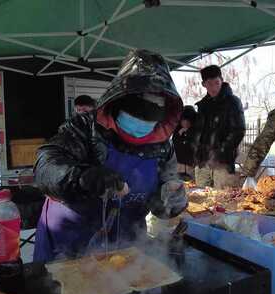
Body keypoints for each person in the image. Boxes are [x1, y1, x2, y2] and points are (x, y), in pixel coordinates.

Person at [33, 50, 187, 262]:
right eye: (135, 115)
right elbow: (45, 166)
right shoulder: (84, 128)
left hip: (125, 247)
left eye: (149, 120)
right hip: (70, 241)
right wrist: (83, 177)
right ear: (118, 103)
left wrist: (172, 201)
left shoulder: (162, 147)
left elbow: (161, 202)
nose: (140, 125)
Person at [193, 65, 245, 189]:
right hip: (202, 162)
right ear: (203, 84)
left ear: (222, 80)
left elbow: (238, 131)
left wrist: (220, 152)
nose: (213, 87)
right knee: (199, 201)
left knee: (223, 201)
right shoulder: (202, 105)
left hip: (222, 163)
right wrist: (196, 152)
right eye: (209, 83)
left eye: (216, 82)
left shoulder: (233, 102)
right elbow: (198, 132)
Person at [173, 105, 197, 181]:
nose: (185, 123)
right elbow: (174, 143)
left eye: (188, 121)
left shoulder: (195, 131)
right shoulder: (177, 130)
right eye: (183, 121)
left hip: (191, 165)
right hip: (179, 165)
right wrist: (179, 134)